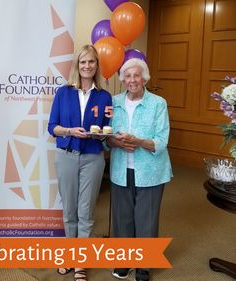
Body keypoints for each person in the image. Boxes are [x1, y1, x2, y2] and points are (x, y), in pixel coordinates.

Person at [48, 44, 112, 281]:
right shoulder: (63, 93)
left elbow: (107, 129)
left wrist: (104, 134)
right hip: (66, 156)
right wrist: (69, 131)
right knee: (69, 211)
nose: (87, 66)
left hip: (93, 159)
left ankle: (80, 262)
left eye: (91, 62)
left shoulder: (104, 96)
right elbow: (51, 127)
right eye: (83, 62)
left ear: (96, 65)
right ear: (77, 65)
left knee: (86, 211)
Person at [106, 58, 172, 281]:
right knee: (122, 218)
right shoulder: (113, 102)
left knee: (147, 219)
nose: (132, 80)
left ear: (144, 78)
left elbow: (162, 140)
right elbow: (106, 137)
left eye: (136, 75)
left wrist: (137, 141)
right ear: (122, 79)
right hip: (120, 169)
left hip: (151, 171)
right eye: (128, 76)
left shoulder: (158, 103)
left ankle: (144, 265)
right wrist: (115, 142)